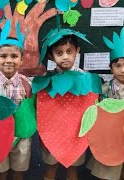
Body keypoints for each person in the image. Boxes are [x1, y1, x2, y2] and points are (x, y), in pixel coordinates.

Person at [87, 27, 124, 180]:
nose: (123, 70)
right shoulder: (104, 89)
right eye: (118, 65)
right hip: (108, 141)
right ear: (110, 68)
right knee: (106, 173)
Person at [39, 27, 94, 180]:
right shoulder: (46, 80)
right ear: (51, 55)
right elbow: (43, 112)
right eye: (59, 53)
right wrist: (43, 136)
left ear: (77, 51)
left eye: (69, 52)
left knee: (73, 170)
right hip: (53, 133)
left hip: (76, 132)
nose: (65, 57)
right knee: (51, 167)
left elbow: (90, 109)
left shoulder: (85, 79)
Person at [0, 20, 31, 180]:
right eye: (3, 56)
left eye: (14, 56)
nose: (9, 60)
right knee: (1, 171)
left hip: (21, 134)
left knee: (19, 170)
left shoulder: (28, 83)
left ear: (22, 59)